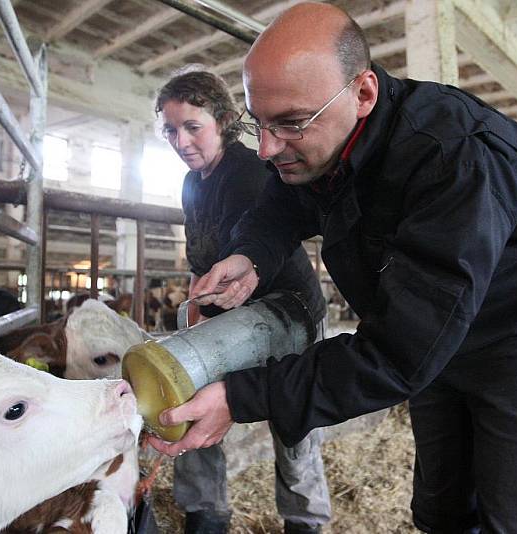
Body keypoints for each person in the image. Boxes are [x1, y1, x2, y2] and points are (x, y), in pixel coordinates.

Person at [150, 4, 517, 533]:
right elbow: (281, 204)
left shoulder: (452, 155)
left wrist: (241, 396)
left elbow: (398, 351)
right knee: (443, 508)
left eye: (291, 124)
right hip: (432, 333)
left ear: (363, 94)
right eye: (259, 123)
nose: (269, 148)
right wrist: (250, 255)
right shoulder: (322, 143)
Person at [155, 68, 332, 534]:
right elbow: (203, 257)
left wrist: (207, 313)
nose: (180, 140)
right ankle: (204, 512)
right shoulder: (192, 183)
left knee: (293, 417)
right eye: (171, 129)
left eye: (193, 126)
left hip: (285, 307)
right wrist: (197, 307)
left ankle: (305, 521)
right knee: (187, 384)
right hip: (227, 311)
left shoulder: (248, 172)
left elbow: (251, 267)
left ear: (225, 121)